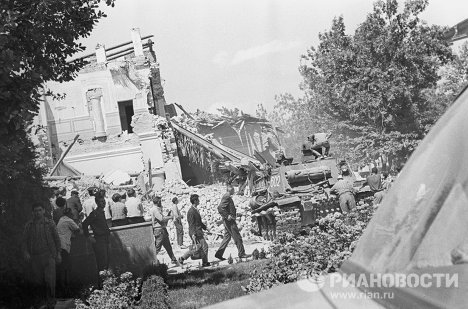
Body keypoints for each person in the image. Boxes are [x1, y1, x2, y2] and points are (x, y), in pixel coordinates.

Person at [22, 203, 61, 309]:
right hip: (35, 257)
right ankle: (40, 304)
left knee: (50, 281)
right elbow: (24, 241)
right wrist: (25, 252)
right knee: (37, 281)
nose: (38, 212)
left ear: (44, 211)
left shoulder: (50, 223)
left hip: (49, 255)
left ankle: (51, 303)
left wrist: (58, 253)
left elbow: (57, 239)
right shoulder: (29, 225)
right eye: (35, 210)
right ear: (32, 212)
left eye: (40, 210)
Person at [82, 192, 111, 283]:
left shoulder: (101, 212)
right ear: (97, 203)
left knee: (106, 263)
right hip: (99, 240)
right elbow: (84, 224)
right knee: (102, 263)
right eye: (101, 202)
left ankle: (105, 283)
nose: (103, 203)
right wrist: (88, 237)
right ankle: (102, 284)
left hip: (105, 239)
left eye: (104, 201)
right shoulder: (94, 213)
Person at [215, 185, 248, 260]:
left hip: (227, 221)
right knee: (237, 237)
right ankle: (241, 253)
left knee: (227, 237)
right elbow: (220, 208)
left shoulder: (227, 196)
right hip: (229, 221)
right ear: (231, 190)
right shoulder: (227, 196)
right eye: (233, 190)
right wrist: (227, 216)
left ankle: (219, 254)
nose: (234, 191)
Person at [179, 194, 210, 267]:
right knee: (203, 247)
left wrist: (205, 228)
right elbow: (191, 223)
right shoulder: (191, 211)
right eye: (198, 200)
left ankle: (182, 259)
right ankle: (204, 262)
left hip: (198, 231)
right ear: (195, 201)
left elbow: (198, 222)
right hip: (195, 232)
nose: (199, 201)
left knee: (196, 249)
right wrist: (193, 234)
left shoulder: (195, 210)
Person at [56, 207, 80, 296]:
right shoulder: (69, 220)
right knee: (66, 269)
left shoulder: (61, 219)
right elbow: (78, 230)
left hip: (59, 246)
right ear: (70, 214)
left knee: (63, 269)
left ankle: (64, 290)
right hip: (64, 246)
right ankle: (66, 291)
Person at [150, 196, 178, 265]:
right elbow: (161, 219)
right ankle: (150, 261)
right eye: (160, 201)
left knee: (168, 246)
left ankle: (173, 259)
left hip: (162, 229)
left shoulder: (157, 209)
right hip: (159, 230)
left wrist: (167, 216)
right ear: (158, 202)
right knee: (157, 248)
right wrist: (170, 217)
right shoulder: (155, 209)